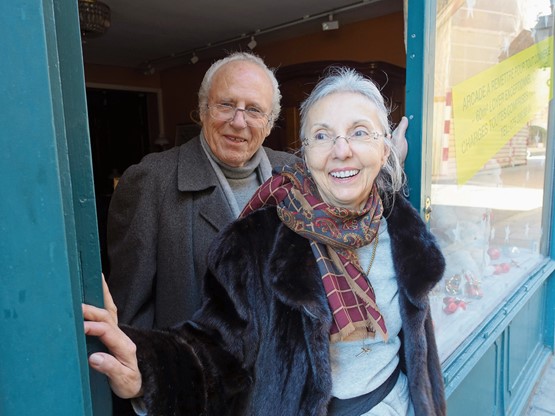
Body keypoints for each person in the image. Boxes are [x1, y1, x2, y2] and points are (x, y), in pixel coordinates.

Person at [84, 67, 446, 416]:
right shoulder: (255, 242)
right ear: (305, 153)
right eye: (322, 135)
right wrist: (147, 367)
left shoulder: (400, 224)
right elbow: (217, 349)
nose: (341, 149)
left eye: (360, 132)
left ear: (384, 149)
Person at [106, 51, 409, 330]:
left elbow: (348, 210)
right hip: (197, 376)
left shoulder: (295, 171)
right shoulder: (151, 181)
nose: (239, 122)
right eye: (226, 105)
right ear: (202, 110)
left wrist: (385, 161)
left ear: (269, 122)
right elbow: (130, 313)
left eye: (253, 110)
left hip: (281, 376)